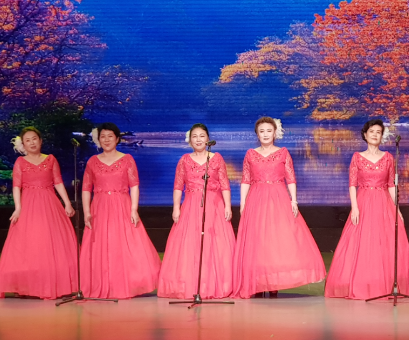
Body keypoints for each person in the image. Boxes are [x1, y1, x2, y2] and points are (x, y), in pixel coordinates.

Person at [232, 117, 326, 298]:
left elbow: (290, 178)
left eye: (269, 131)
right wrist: (243, 202)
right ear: (257, 134)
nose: (265, 134)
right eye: (262, 131)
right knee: (258, 240)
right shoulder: (250, 154)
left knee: (275, 239)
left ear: (275, 133)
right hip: (256, 198)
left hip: (278, 197)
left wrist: (294, 200)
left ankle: (273, 283)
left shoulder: (283, 153)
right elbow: (245, 179)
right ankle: (258, 283)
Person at [325, 119, 409, 299]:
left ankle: (384, 284)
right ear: (365, 135)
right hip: (364, 202)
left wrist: (397, 208)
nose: (375, 135)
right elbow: (352, 184)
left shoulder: (388, 158)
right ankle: (362, 283)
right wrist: (354, 207)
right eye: (372, 131)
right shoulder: (357, 157)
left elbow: (391, 185)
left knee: (384, 243)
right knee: (363, 243)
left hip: (384, 203)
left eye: (378, 132)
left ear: (382, 136)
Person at [0, 127, 78, 299]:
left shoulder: (50, 159)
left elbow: (58, 182)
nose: (32, 142)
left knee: (51, 242)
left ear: (40, 141)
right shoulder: (20, 162)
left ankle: (53, 283)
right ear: (23, 144)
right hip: (29, 204)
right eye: (28, 140)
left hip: (49, 203)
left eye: (34, 139)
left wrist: (67, 203)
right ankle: (29, 285)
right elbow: (16, 186)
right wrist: (18, 208)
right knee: (31, 242)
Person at [80, 122, 160, 298]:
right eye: (103, 137)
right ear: (98, 140)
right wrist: (87, 212)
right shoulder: (92, 161)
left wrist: (134, 209)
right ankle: (103, 283)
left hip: (122, 205)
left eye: (110, 136)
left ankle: (128, 283)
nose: (106, 140)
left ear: (117, 139)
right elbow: (86, 188)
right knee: (101, 246)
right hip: (100, 206)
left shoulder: (127, 159)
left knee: (125, 244)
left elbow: (134, 185)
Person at [158, 124, 235, 299]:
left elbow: (225, 184)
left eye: (202, 136)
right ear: (190, 140)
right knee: (190, 244)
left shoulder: (216, 158)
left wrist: (227, 206)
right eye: (195, 136)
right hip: (191, 205)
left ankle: (215, 285)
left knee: (214, 244)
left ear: (208, 138)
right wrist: (176, 207)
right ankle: (191, 284)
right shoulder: (184, 160)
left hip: (214, 205)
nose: (199, 139)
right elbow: (178, 186)